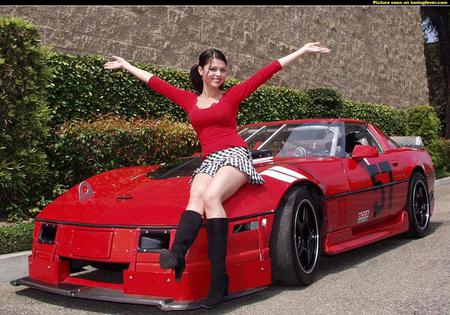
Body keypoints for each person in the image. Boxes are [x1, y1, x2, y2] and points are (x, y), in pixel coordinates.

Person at [103, 42, 330, 308]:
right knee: (195, 198)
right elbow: (156, 82)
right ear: (201, 71)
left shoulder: (231, 97)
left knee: (212, 197)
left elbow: (268, 71)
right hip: (209, 160)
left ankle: (219, 280)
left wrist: (302, 51)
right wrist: (127, 65)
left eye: (222, 70)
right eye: (213, 69)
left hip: (235, 155)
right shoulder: (189, 100)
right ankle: (177, 255)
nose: (218, 74)